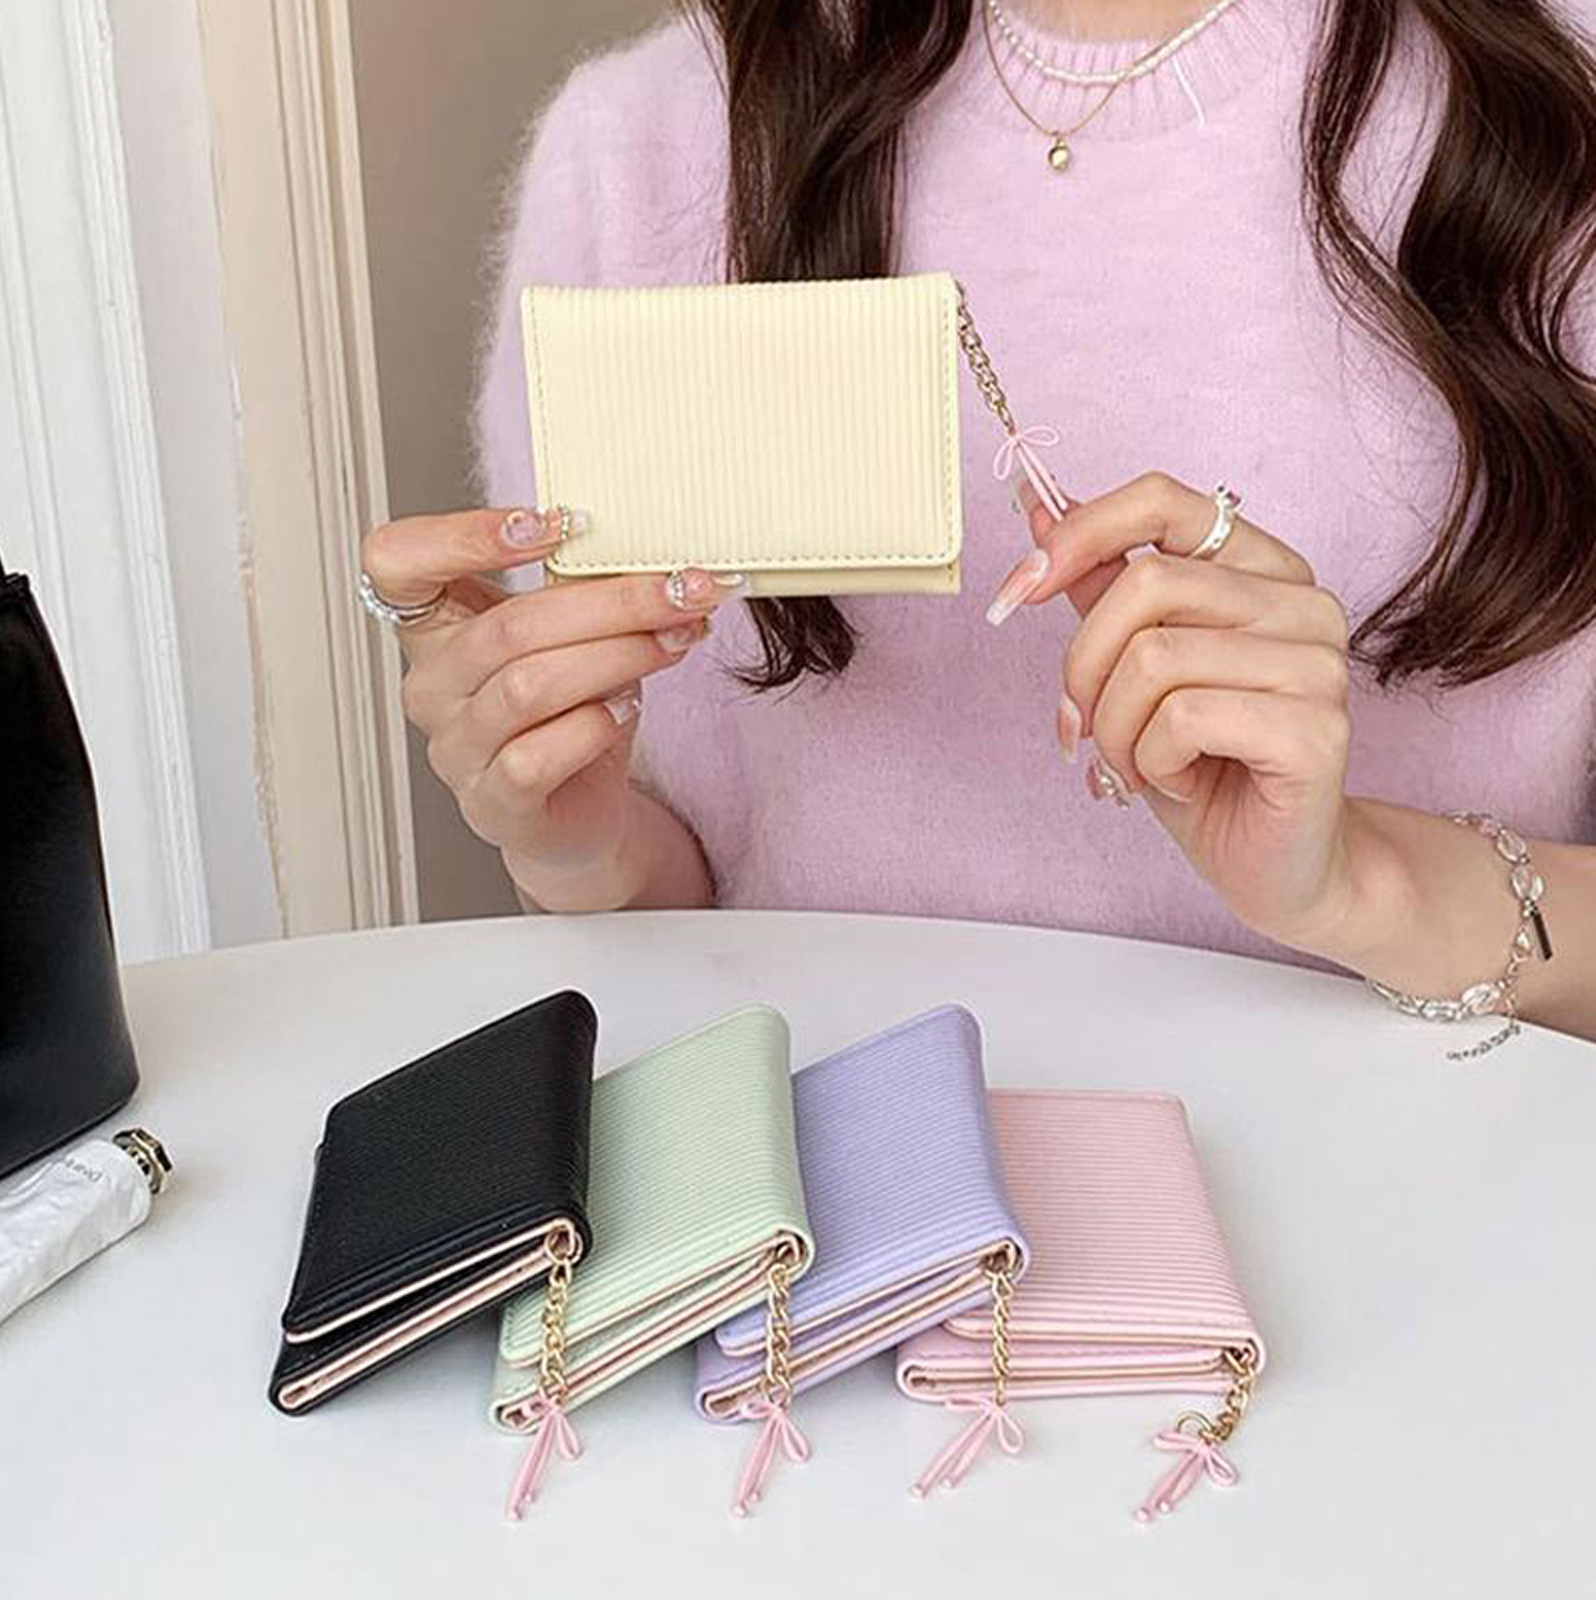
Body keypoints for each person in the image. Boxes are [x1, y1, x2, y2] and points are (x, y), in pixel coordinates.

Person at [360, 0, 1596, 1046]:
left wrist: (1366, 881)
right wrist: (581, 846)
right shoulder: (646, 143)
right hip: (841, 1207)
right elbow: (690, 903)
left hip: (1435, 1193)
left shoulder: (1557, 105)